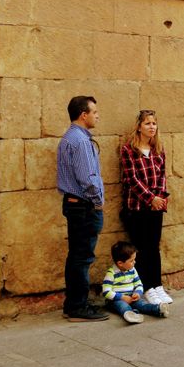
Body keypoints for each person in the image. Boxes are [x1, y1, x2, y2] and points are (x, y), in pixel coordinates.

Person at [57, 95, 109, 321]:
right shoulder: (79, 141)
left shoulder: (73, 138)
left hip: (76, 205)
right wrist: (97, 202)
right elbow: (87, 179)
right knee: (82, 257)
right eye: (94, 111)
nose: (98, 115)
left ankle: (74, 304)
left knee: (77, 256)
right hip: (83, 207)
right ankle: (78, 307)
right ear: (83, 114)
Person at [119, 109, 173, 305]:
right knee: (141, 248)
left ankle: (157, 285)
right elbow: (132, 179)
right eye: (148, 123)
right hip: (137, 207)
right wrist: (150, 198)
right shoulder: (128, 150)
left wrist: (159, 198)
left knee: (154, 247)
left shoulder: (158, 150)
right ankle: (147, 287)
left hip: (156, 208)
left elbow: (162, 176)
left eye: (154, 123)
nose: (152, 127)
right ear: (139, 127)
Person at [102, 241, 170, 324]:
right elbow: (106, 292)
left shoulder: (132, 270)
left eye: (134, 259)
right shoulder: (111, 273)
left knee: (141, 304)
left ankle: (157, 309)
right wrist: (121, 297)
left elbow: (139, 284)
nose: (134, 262)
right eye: (131, 260)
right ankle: (131, 315)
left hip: (131, 297)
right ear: (120, 263)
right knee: (123, 306)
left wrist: (137, 293)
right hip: (115, 300)